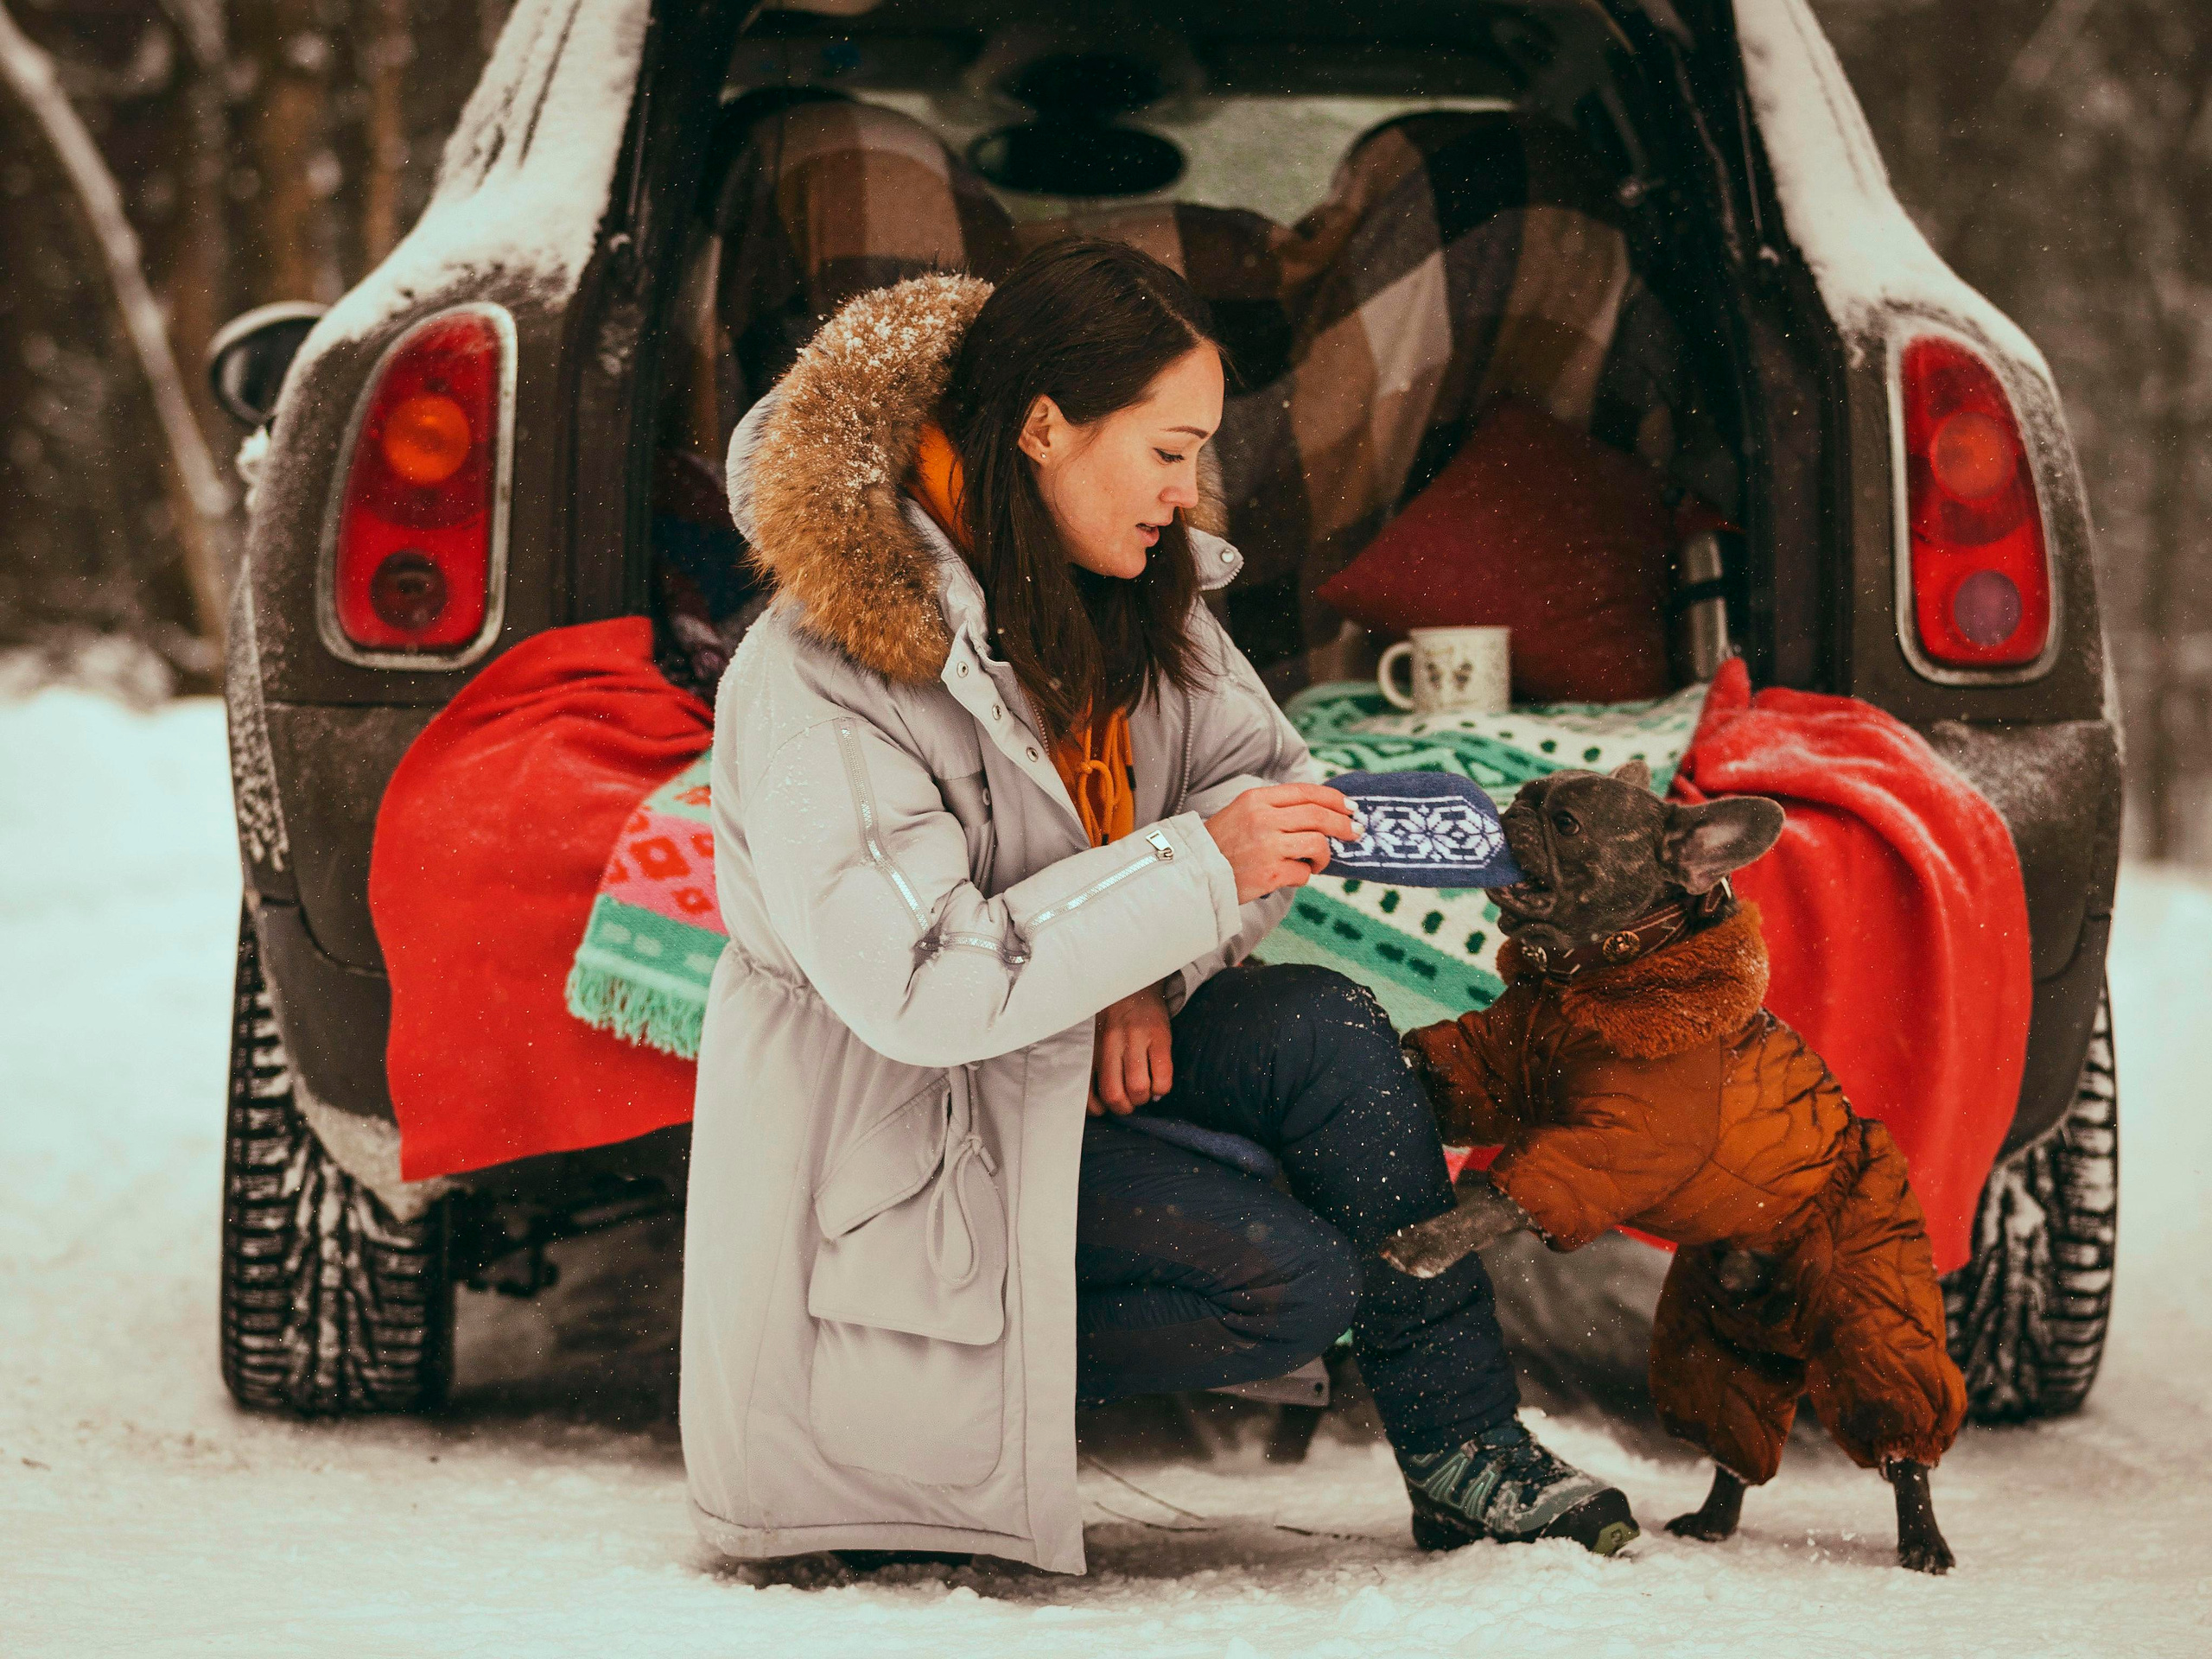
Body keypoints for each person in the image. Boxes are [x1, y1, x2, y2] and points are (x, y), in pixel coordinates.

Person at [680, 239, 1636, 1573]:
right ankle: (927, 1422)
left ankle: (1466, 1451)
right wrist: (1186, 873)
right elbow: (923, 988)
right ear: (1043, 428)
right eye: (1170, 451)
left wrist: (1143, 968)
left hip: (1059, 1054)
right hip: (913, 1139)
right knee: (1300, 1280)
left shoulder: (1137, 590)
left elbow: (1263, 789)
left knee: (1325, 1030)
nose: (1190, 495)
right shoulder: (821, 667)